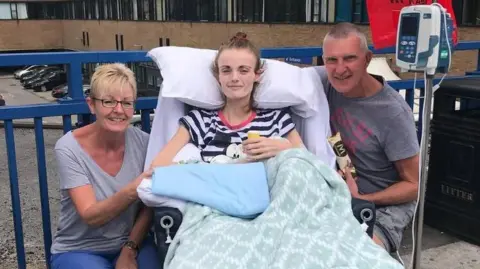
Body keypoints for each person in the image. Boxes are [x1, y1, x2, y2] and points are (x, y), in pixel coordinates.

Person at [318, 23, 420, 254]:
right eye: (331, 60)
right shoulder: (326, 84)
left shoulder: (393, 113)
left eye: (349, 58)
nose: (340, 69)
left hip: (385, 206)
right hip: (338, 195)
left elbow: (414, 186)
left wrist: (363, 198)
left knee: (358, 254)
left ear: (367, 59)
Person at [50, 63, 160, 269]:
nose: (118, 110)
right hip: (79, 248)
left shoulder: (145, 143)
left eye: (127, 103)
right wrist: (135, 187)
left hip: (132, 242)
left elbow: (149, 206)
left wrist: (130, 248)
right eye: (108, 102)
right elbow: (92, 215)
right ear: (91, 104)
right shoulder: (69, 148)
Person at [149, 32, 304, 168]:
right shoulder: (200, 121)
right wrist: (204, 170)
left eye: (243, 70)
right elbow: (158, 165)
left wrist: (284, 149)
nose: (234, 78)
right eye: (226, 70)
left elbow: (309, 163)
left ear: (257, 75)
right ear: (218, 76)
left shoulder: (276, 119)